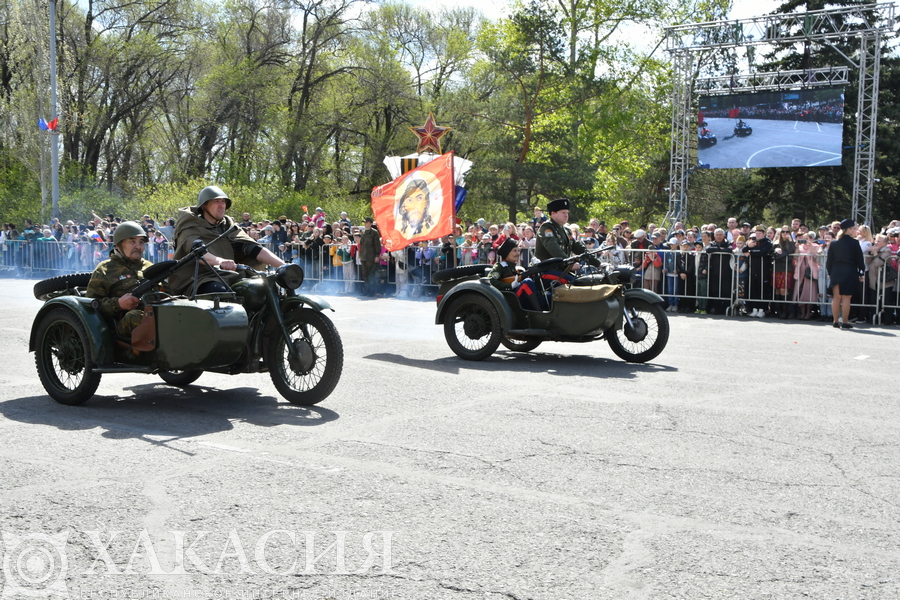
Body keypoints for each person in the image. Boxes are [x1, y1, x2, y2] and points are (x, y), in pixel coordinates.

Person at [169, 185, 286, 295]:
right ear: (204, 205)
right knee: (219, 292)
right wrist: (220, 261)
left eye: (223, 201)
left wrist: (284, 266)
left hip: (229, 275)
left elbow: (252, 248)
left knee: (266, 289)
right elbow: (197, 252)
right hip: (198, 279)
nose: (222, 205)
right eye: (216, 201)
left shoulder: (228, 226)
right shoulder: (190, 227)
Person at [85, 221, 156, 338]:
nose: (138, 246)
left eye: (141, 242)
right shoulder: (104, 269)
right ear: (118, 245)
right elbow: (92, 305)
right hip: (122, 325)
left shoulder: (150, 266)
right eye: (132, 241)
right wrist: (118, 304)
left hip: (154, 315)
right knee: (135, 317)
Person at [827, 219, 865, 329]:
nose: (856, 231)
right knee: (846, 298)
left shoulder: (834, 242)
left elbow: (829, 260)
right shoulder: (854, 242)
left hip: (836, 271)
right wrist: (861, 272)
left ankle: (835, 321)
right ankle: (845, 321)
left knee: (836, 297)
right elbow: (859, 259)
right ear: (848, 230)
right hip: (849, 271)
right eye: (854, 229)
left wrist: (830, 272)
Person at [488, 238, 545, 311]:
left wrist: (536, 266)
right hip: (509, 299)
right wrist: (510, 286)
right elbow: (491, 281)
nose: (518, 253)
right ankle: (540, 313)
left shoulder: (515, 267)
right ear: (507, 253)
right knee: (527, 283)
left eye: (518, 250)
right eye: (515, 251)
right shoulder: (500, 266)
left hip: (517, 297)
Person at [358, 217, 381, 296]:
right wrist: (360, 255)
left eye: (366, 222)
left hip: (371, 256)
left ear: (371, 223)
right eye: (364, 222)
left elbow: (377, 245)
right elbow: (361, 245)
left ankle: (372, 291)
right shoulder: (363, 233)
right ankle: (367, 290)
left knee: (371, 275)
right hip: (364, 256)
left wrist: (377, 255)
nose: (365, 224)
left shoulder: (374, 233)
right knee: (365, 275)